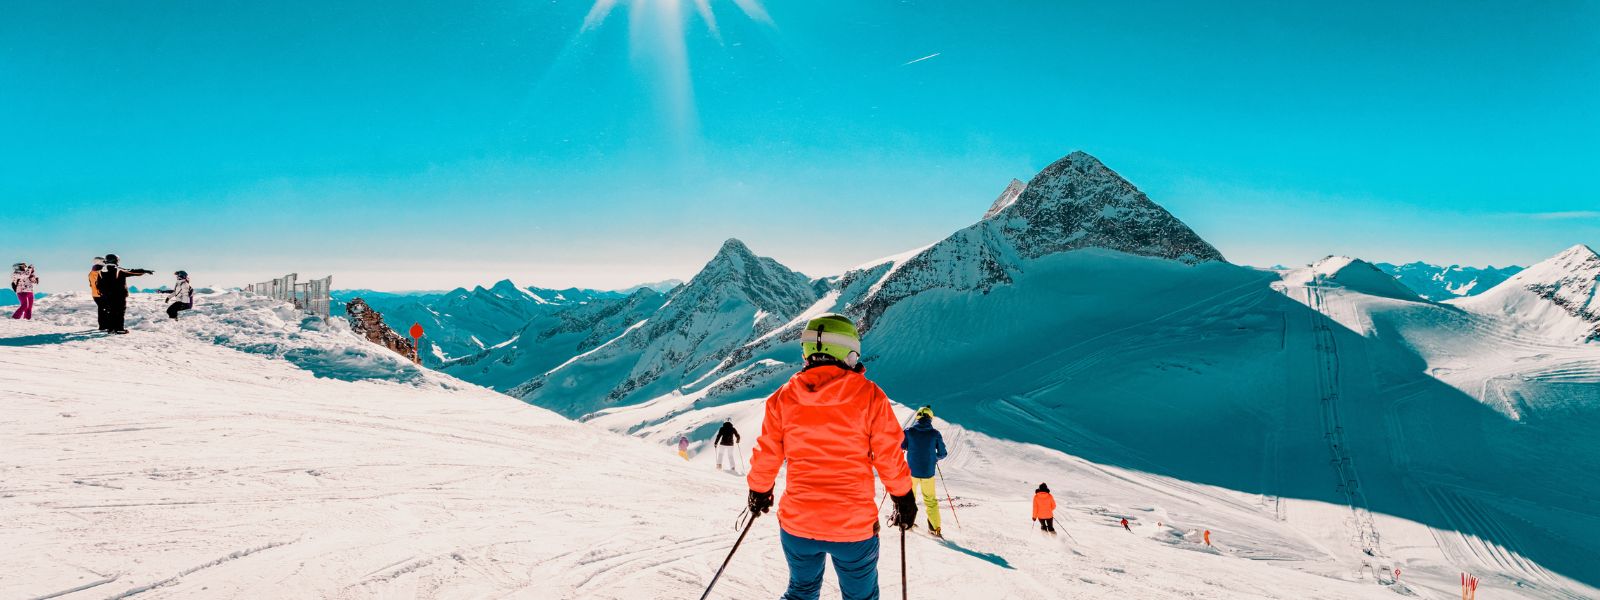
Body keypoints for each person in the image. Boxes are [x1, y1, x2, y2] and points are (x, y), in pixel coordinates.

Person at [746, 313, 916, 600]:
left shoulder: (783, 397)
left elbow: (768, 453)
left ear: (807, 351)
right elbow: (888, 456)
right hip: (852, 527)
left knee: (801, 591)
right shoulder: (870, 396)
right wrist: (903, 497)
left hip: (798, 524)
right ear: (848, 352)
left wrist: (759, 491)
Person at [902, 405, 948, 536]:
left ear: (918, 417)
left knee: (909, 498)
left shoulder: (909, 431)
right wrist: (934, 458)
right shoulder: (935, 434)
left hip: (911, 472)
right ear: (930, 418)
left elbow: (901, 446)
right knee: (930, 500)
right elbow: (943, 453)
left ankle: (906, 523)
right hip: (928, 473)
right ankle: (935, 528)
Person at [97, 253, 152, 334]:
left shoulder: (101, 271)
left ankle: (111, 329)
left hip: (107, 296)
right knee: (119, 312)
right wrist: (144, 271)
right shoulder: (118, 270)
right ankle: (119, 329)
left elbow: (98, 285)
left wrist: (104, 294)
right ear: (116, 260)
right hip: (119, 295)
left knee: (111, 312)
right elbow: (132, 272)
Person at [88, 257, 109, 331]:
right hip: (101, 294)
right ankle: (104, 326)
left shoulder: (91, 272)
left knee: (102, 310)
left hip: (95, 294)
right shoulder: (99, 272)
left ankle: (103, 326)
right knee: (105, 310)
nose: (105, 263)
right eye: (104, 261)